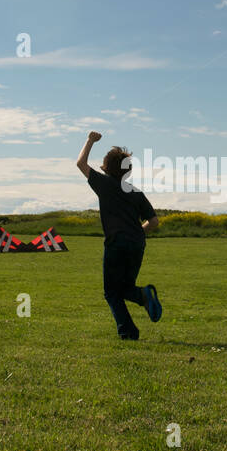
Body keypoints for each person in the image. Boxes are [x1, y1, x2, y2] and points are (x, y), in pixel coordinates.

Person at [76, 131, 162, 340]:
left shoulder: (104, 184)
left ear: (106, 167)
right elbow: (154, 222)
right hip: (137, 244)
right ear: (128, 171)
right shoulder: (136, 193)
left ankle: (129, 331)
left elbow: (81, 163)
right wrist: (137, 233)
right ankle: (142, 297)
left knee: (112, 292)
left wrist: (90, 141)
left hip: (116, 244)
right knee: (124, 288)